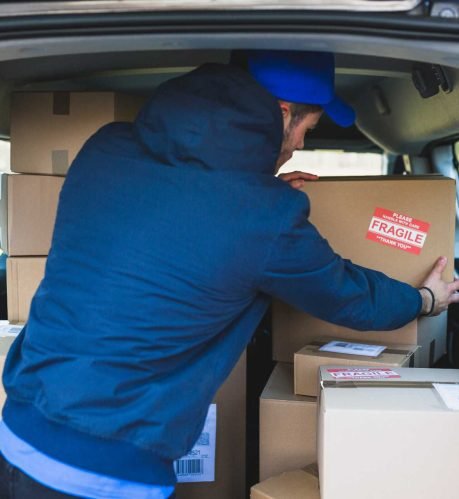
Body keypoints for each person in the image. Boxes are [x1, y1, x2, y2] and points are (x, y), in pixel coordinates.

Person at [0, 50, 457, 499]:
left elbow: (173, 215)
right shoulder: (262, 216)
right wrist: (425, 300)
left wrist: (254, 198)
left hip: (17, 429)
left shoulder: (107, 146)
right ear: (282, 113)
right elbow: (347, 295)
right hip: (105, 468)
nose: (300, 145)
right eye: (307, 129)